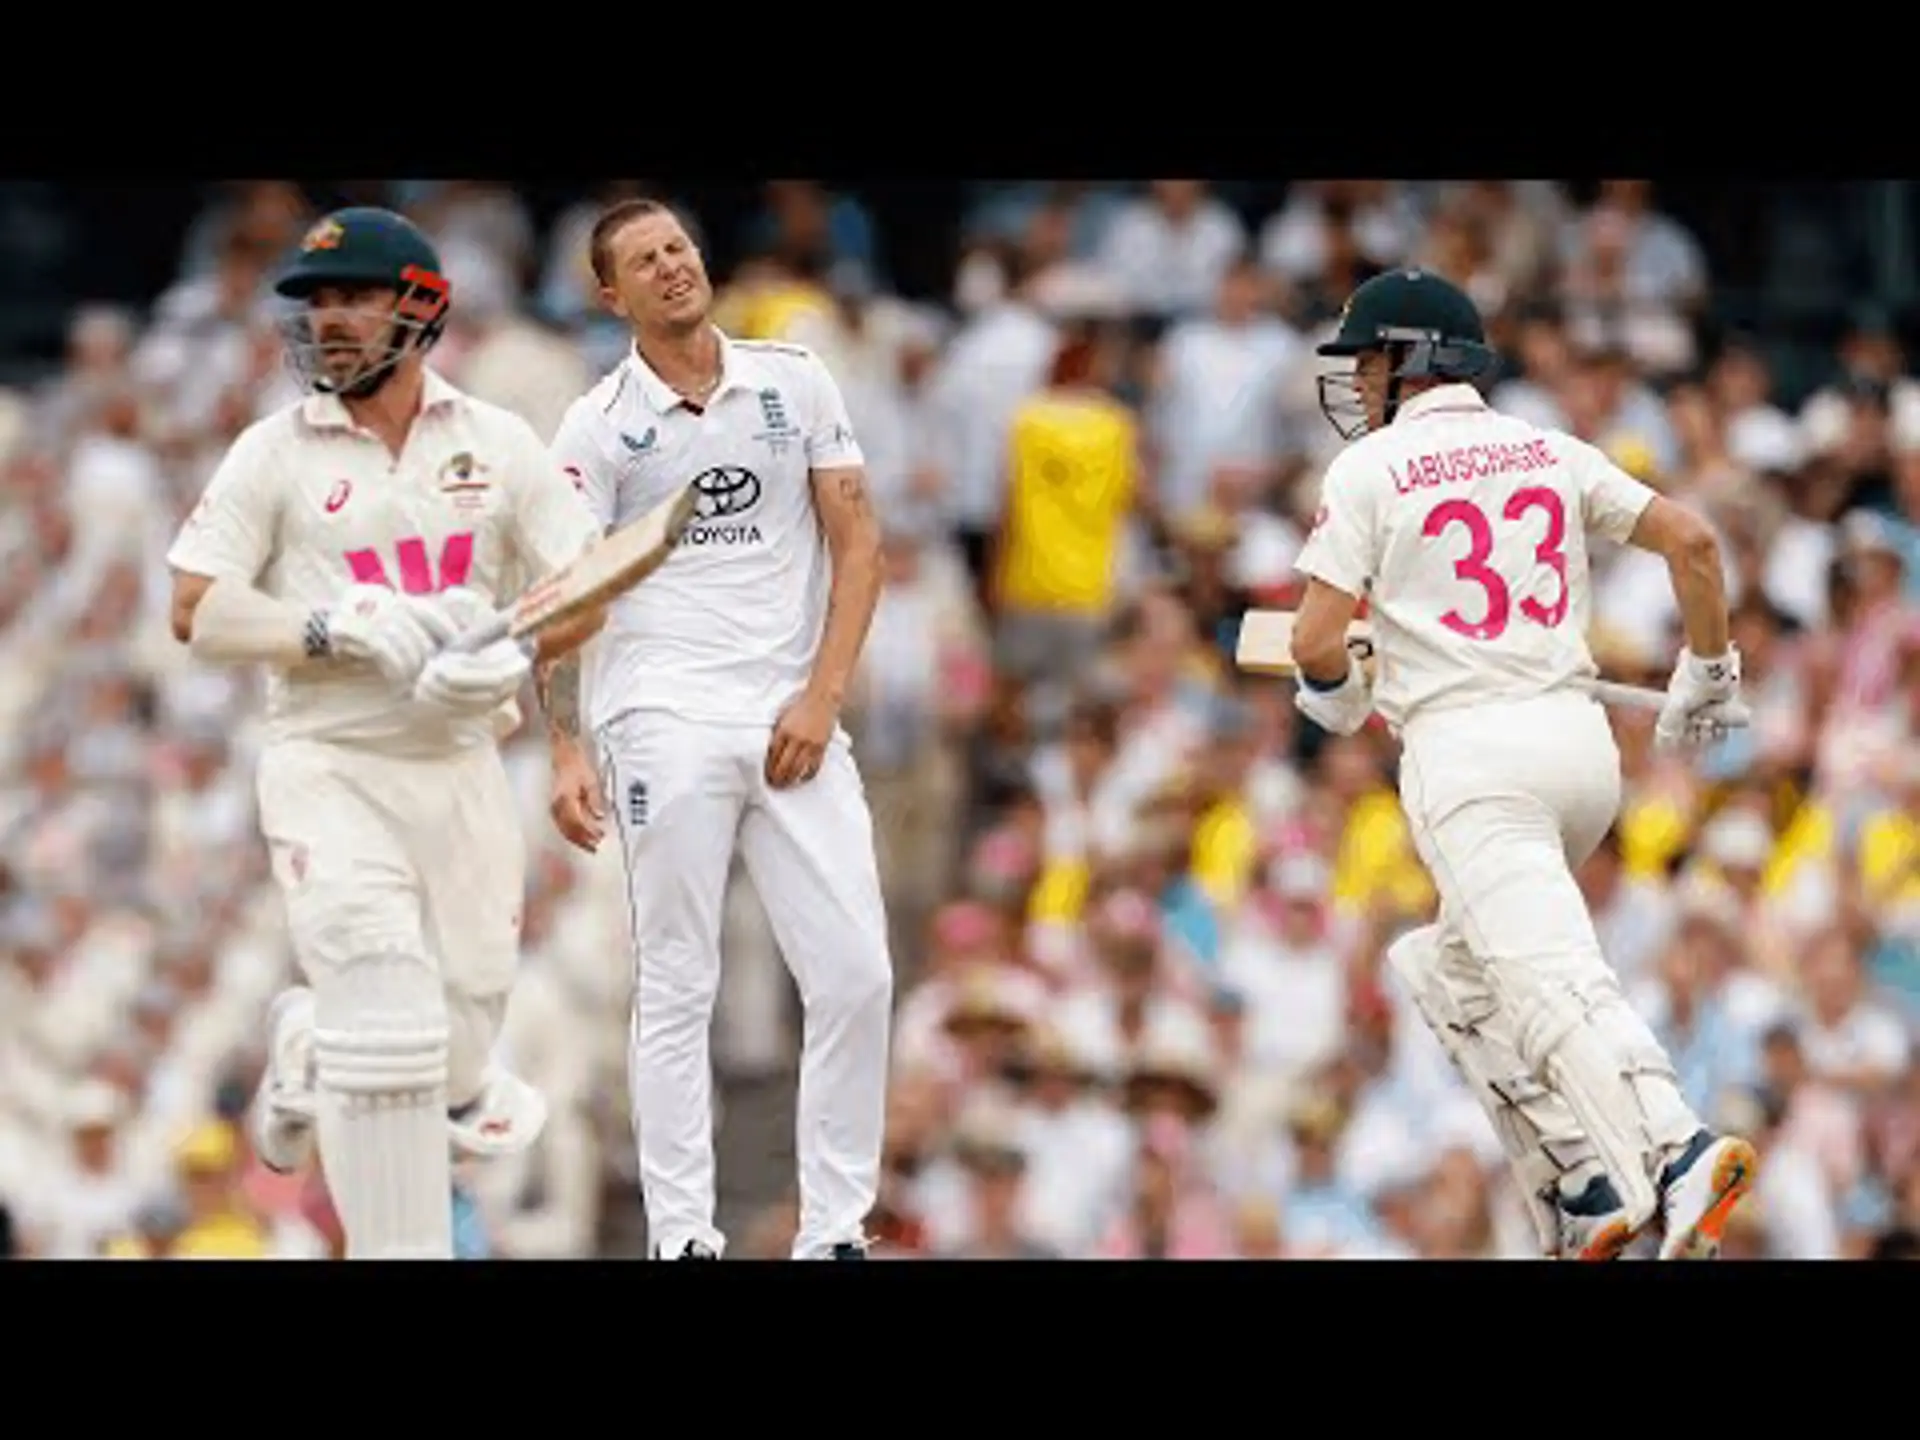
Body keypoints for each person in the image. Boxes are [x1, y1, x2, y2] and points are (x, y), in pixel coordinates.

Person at [1284, 267, 1757, 1260]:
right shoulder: (1548, 448)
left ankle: (1675, 1147)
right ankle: (1582, 1184)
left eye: (1369, 361)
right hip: (1578, 749)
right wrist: (1707, 670)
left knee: (1548, 975)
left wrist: (1338, 696)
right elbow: (1695, 542)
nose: (1359, 383)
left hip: (1469, 759)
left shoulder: (1368, 473)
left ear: (1413, 359)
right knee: (1448, 967)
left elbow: (1316, 641)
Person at [164, 206, 608, 1259]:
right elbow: (194, 607)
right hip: (330, 765)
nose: (328, 323)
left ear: (423, 309)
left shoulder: (497, 446)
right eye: (315, 304)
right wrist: (330, 627)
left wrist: (540, 702)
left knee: (455, 1064)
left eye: (352, 298)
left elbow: (583, 588)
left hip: (457, 769)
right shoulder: (273, 452)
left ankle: (306, 1039)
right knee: (386, 1004)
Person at [541, 197, 893, 1260]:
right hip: (663, 716)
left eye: (679, 248)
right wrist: (565, 746)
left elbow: (859, 540)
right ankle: (682, 1236)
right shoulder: (596, 426)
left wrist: (823, 696)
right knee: (679, 979)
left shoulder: (794, 379)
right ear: (613, 297)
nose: (670, 268)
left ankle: (834, 1230)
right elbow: (564, 592)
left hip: (791, 712)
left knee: (857, 975)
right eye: (644, 262)